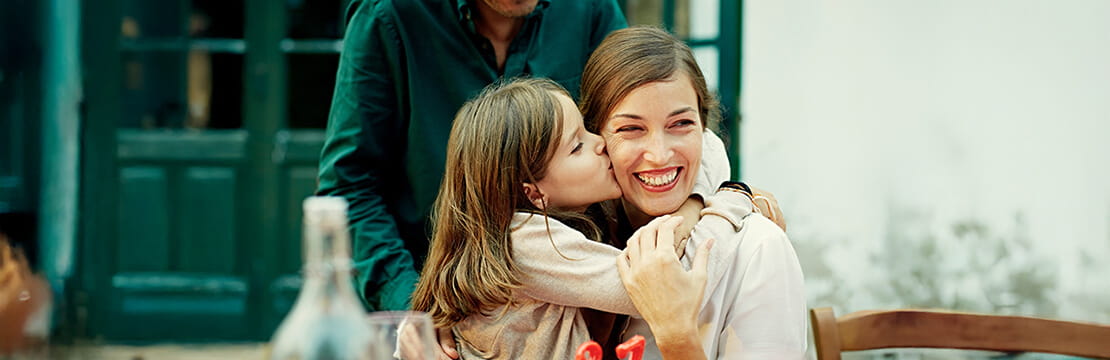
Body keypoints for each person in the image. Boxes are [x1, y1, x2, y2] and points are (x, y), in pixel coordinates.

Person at [410, 77, 757, 359]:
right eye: (576, 146)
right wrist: (728, 200)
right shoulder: (524, 240)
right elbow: (660, 289)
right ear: (533, 192)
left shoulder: (525, 234)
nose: (600, 144)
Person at [315, 0, 629, 311]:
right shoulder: (389, 14)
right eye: (576, 143)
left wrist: (678, 215)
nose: (599, 142)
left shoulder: (591, 10)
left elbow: (642, 132)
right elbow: (350, 186)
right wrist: (411, 308)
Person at [579, 26, 808, 359]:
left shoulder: (758, 250)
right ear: (595, 138)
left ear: (703, 129)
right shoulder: (568, 246)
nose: (659, 155)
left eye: (681, 124)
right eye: (631, 129)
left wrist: (677, 335)